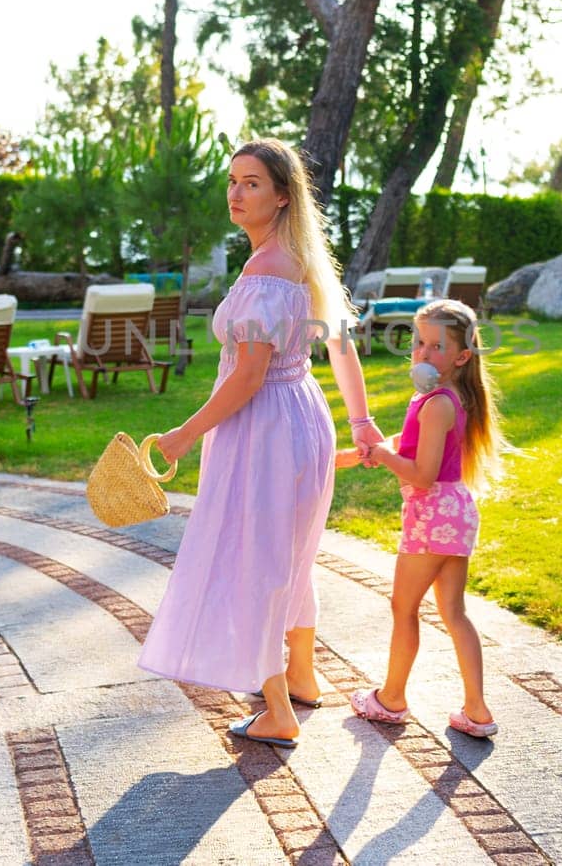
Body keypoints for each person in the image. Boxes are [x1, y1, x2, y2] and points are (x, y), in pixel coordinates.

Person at [139, 138, 383, 749]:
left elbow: (248, 376)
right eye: (232, 181)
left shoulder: (269, 269)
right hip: (300, 418)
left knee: (256, 560)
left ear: (281, 196)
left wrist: (183, 435)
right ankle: (300, 674)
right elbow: (341, 347)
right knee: (289, 554)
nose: (236, 193)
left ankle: (277, 709)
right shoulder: (300, 260)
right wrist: (360, 423)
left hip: (267, 426)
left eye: (252, 183)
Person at [342, 298, 508, 739]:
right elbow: (412, 445)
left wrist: (384, 455)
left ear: (461, 357)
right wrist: (368, 453)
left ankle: (391, 698)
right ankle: (477, 710)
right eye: (418, 342)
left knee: (404, 607)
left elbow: (421, 473)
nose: (422, 352)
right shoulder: (445, 398)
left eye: (436, 346)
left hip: (431, 516)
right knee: (454, 612)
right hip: (453, 513)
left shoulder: (436, 403)